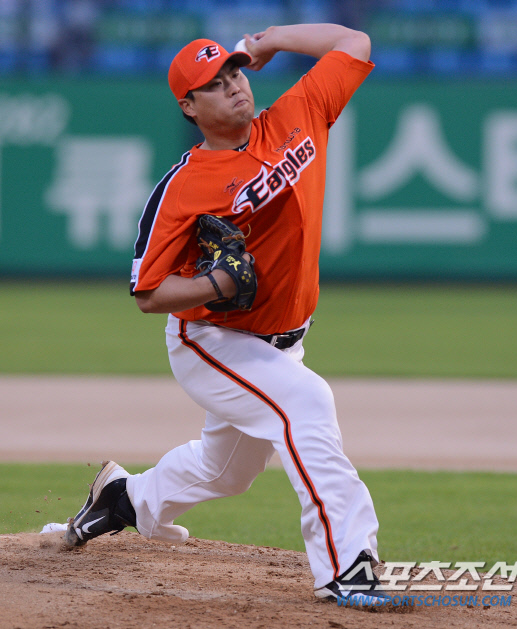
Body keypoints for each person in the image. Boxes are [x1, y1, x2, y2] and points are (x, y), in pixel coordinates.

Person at [65, 23, 387, 605]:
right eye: (214, 84)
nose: (234, 85)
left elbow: (356, 45)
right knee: (307, 404)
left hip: (284, 340)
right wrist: (213, 282)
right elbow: (147, 292)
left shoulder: (296, 114)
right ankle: (348, 564)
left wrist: (274, 39)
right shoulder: (184, 186)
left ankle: (125, 499)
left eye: (234, 72)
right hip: (212, 340)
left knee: (226, 472)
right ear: (188, 106)